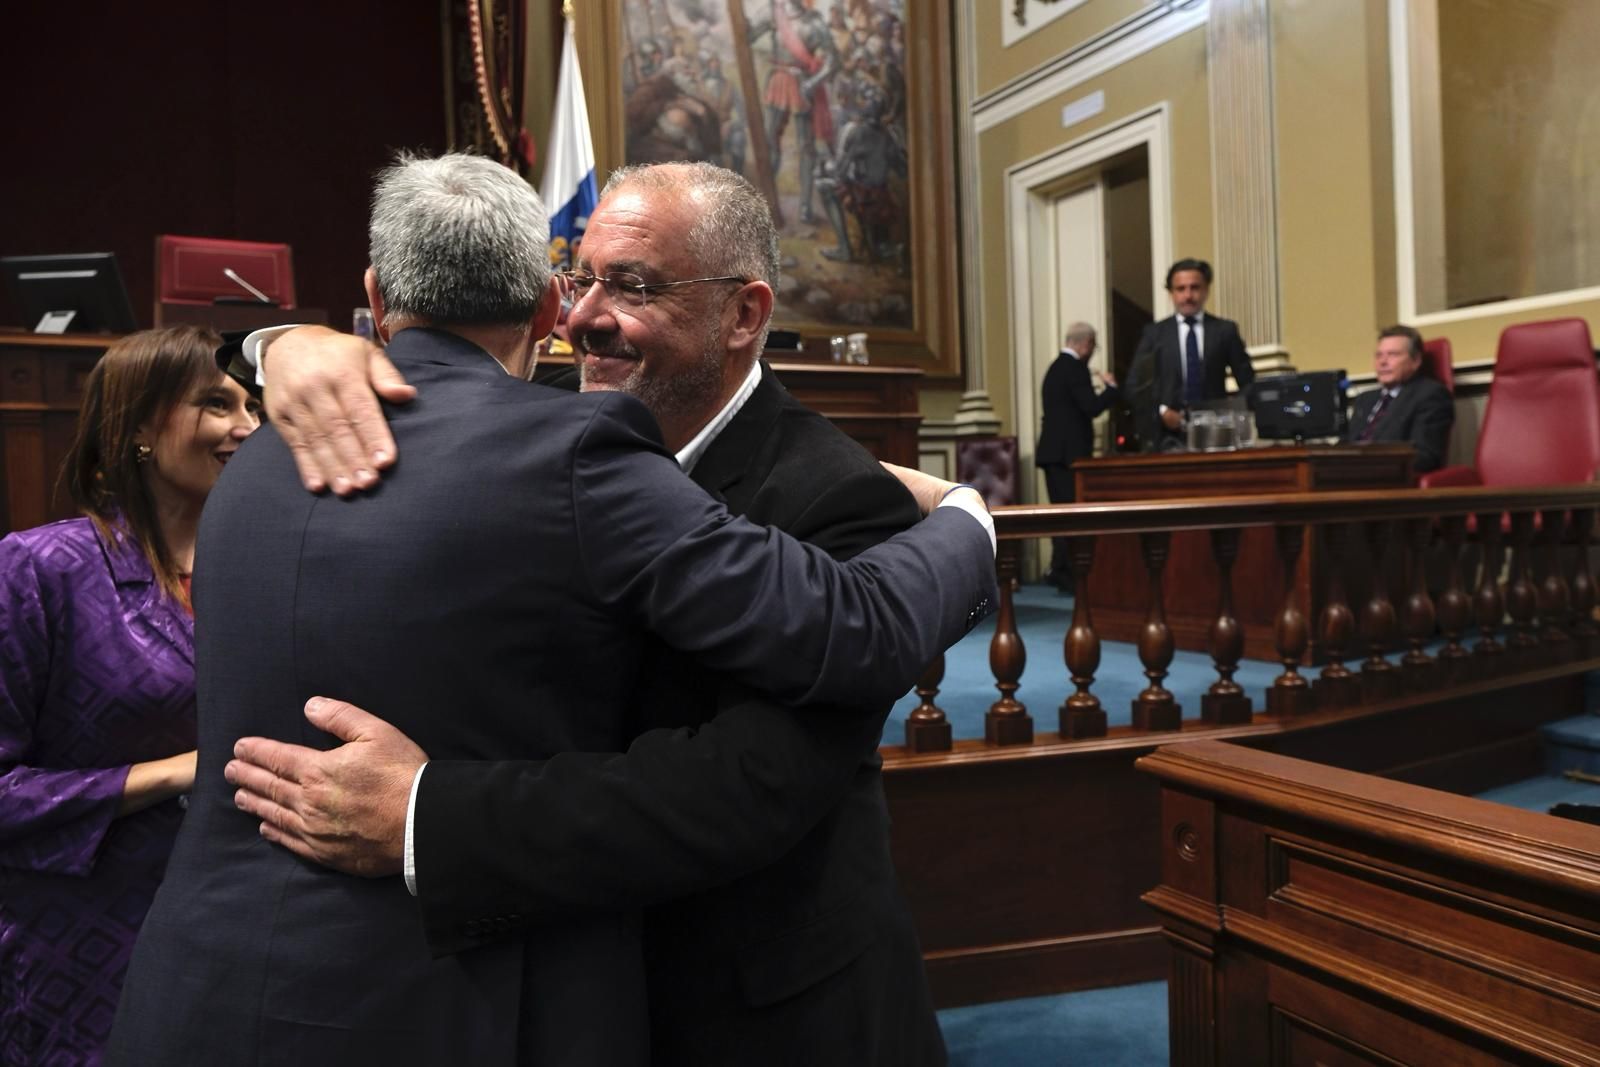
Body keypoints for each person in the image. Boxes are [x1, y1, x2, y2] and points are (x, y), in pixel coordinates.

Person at [106, 154, 993, 1066]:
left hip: (752, 1006)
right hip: (512, 986)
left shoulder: (843, 495)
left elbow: (748, 787)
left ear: (744, 314)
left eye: (634, 285)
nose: (584, 319)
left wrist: (427, 814)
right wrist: (281, 341)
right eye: (581, 280)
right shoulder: (529, 425)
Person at [0, 325, 259, 1066]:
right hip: (85, 952)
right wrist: (178, 772)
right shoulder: (40, 569)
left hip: (238, 932)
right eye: (217, 404)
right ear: (140, 426)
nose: (247, 427)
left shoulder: (270, 563)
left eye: (253, 407)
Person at [1127, 258, 1255, 450]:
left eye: (1195, 287)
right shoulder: (1155, 334)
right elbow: (1134, 386)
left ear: (1206, 290)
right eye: (1181, 289)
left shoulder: (1224, 331)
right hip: (1167, 438)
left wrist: (1230, 414)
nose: (1188, 296)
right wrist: (1161, 411)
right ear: (1171, 293)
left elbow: (1249, 382)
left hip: (1216, 435)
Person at [1036, 322, 1119, 589]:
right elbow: (1091, 407)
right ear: (1085, 344)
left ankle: (1059, 568)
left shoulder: (1054, 368)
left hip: (1053, 453)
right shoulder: (1075, 369)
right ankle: (1066, 573)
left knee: (1061, 513)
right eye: (1093, 346)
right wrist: (1111, 389)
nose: (1093, 352)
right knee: (1070, 514)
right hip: (1068, 456)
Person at [1343, 324, 1454, 473]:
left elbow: (1425, 456)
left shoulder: (1430, 395)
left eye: (1393, 354)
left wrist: (1365, 466)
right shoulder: (1365, 399)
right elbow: (1346, 444)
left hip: (1386, 479)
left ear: (1416, 361)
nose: (1382, 362)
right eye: (1378, 355)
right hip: (1345, 474)